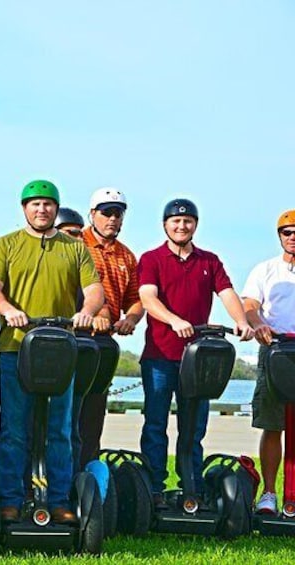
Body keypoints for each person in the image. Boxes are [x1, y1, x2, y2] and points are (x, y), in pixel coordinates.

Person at [0, 180, 104, 524]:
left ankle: (60, 499)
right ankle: (10, 497)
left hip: (60, 350)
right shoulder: (6, 244)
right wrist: (6, 310)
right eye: (34, 204)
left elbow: (94, 289)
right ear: (24, 208)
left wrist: (88, 311)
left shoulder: (74, 247)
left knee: (60, 429)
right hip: (16, 347)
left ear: (55, 208)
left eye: (48, 204)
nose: (42, 210)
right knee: (14, 428)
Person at [137, 198, 253, 506]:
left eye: (187, 221)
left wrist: (241, 321)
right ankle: (154, 489)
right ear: (165, 225)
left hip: (198, 361)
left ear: (195, 225)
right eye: (175, 221)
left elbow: (227, 292)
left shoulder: (209, 261)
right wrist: (175, 320)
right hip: (160, 356)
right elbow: (148, 298)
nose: (181, 225)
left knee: (193, 427)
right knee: (155, 424)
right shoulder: (151, 258)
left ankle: (192, 488)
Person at [78, 188, 144, 467]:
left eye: (118, 213)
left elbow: (136, 299)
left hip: (104, 341)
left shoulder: (127, 256)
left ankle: (89, 471)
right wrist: (99, 311)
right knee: (64, 414)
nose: (112, 219)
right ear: (92, 214)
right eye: (106, 212)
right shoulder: (75, 243)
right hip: (75, 335)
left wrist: (130, 318)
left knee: (94, 413)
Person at [241, 209, 295, 514]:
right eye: (287, 232)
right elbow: (250, 304)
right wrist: (258, 323)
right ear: (279, 236)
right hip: (275, 350)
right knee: (272, 425)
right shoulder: (266, 270)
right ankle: (270, 493)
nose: (293, 238)